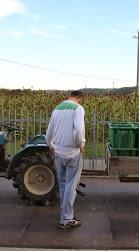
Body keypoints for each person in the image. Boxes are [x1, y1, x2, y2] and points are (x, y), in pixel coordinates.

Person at [46, 90, 85, 229]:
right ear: (79, 99)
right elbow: (79, 129)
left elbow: (49, 131)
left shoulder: (57, 109)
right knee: (71, 186)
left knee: (63, 185)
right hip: (72, 152)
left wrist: (50, 145)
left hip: (58, 152)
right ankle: (66, 219)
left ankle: (65, 214)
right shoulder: (78, 108)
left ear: (68, 97)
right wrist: (80, 144)